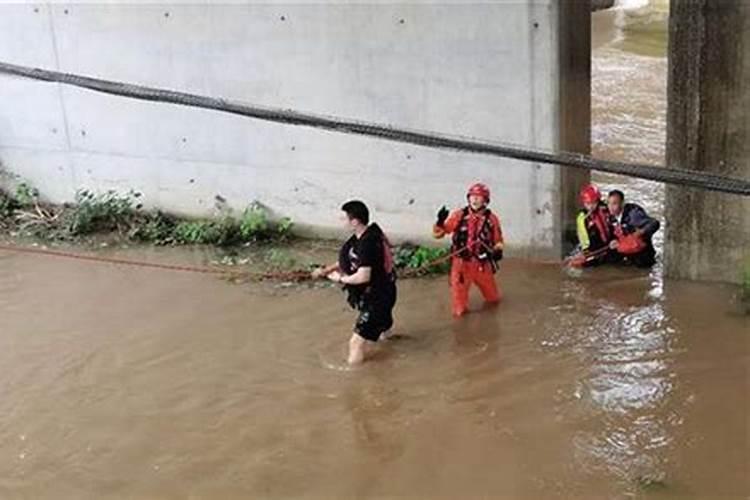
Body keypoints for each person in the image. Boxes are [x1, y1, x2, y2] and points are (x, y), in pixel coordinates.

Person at [311, 200, 397, 365]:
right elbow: (351, 260)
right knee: (384, 334)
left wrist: (340, 279)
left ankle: (354, 378)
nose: (341, 221)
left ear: (355, 221)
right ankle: (391, 358)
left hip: (377, 299)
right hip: (384, 294)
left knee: (355, 343)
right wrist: (325, 270)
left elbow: (363, 276)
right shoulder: (361, 238)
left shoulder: (368, 243)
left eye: (344, 218)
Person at [433, 182, 504, 318]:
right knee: (459, 309)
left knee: (493, 299)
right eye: (473, 196)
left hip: (482, 265)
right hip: (461, 265)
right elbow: (439, 234)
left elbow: (498, 240)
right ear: (468, 198)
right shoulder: (459, 215)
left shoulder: (491, 219)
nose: (475, 199)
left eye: (479, 197)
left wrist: (497, 252)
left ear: (485, 200)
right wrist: (439, 222)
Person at [606, 189, 661, 267]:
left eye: (614, 203)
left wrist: (640, 232)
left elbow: (655, 223)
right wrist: (613, 240)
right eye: (609, 203)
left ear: (622, 204)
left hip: (642, 253)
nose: (610, 207)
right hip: (627, 250)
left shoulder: (633, 214)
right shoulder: (611, 217)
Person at [573, 183, 613, 267]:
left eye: (593, 203)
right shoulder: (582, 218)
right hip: (594, 249)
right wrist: (586, 251)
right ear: (584, 203)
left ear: (598, 201)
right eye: (588, 204)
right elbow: (583, 237)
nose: (590, 206)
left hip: (610, 244)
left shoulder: (606, 209)